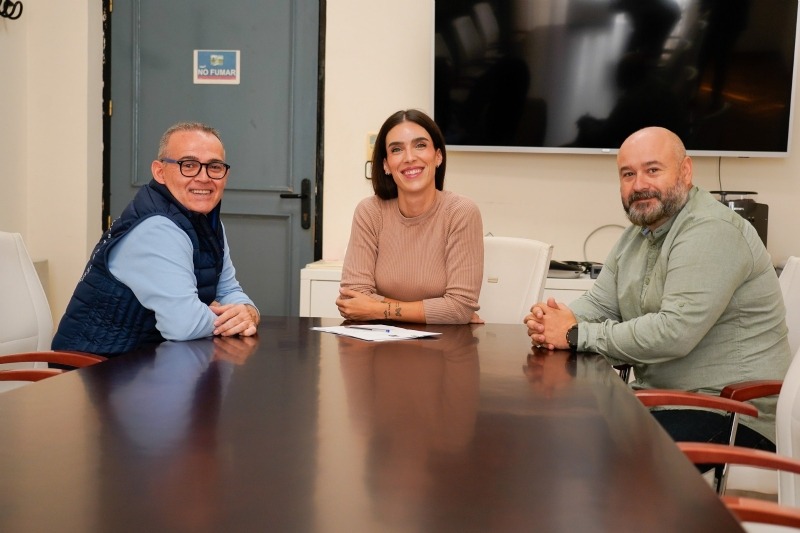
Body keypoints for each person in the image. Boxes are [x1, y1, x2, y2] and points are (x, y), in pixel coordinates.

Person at [524, 126, 791, 450]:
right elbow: (601, 303)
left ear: (685, 171)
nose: (639, 185)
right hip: (664, 403)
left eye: (652, 170)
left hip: (732, 416)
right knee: (552, 424)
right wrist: (550, 320)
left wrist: (575, 334)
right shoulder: (637, 235)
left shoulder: (712, 230)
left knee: (586, 447)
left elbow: (673, 332)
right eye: (627, 174)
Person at [52, 122, 260, 356]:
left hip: (147, 364)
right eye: (188, 165)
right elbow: (184, 325)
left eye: (214, 166)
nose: (203, 177)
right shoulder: (156, 228)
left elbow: (229, 289)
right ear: (160, 172)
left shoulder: (206, 220)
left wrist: (248, 312)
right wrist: (228, 319)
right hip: (94, 373)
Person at [336, 109, 484, 324]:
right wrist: (440, 309)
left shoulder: (461, 212)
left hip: (441, 349)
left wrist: (375, 308)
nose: (409, 157)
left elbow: (459, 308)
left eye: (420, 145)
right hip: (378, 348)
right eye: (396, 150)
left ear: (438, 156)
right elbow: (352, 297)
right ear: (386, 164)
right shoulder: (370, 211)